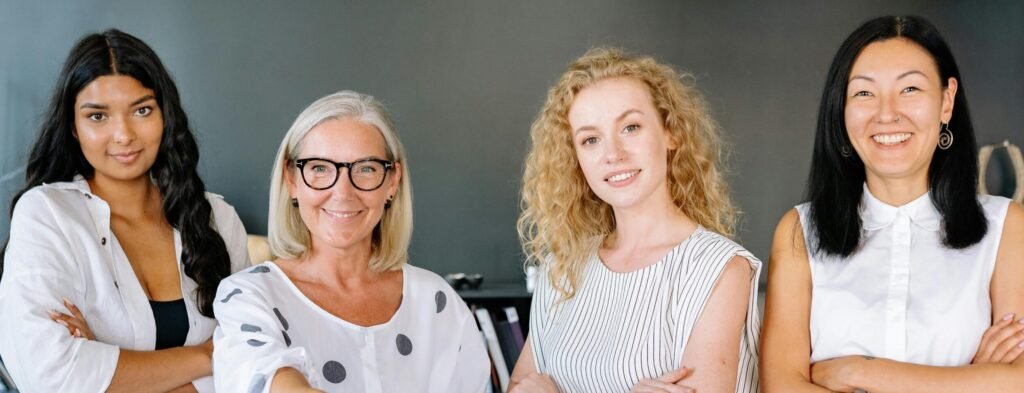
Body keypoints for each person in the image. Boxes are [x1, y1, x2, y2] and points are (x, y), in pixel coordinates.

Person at [760, 15, 1024, 392]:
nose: (886, 114)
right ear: (841, 109)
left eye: (911, 89)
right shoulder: (800, 231)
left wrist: (857, 372)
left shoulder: (1006, 227)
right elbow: (782, 387)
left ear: (946, 102)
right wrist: (968, 380)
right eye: (864, 93)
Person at [0, 29, 250, 392]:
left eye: (142, 110)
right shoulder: (47, 214)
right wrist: (207, 355)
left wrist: (103, 361)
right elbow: (50, 377)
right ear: (73, 126)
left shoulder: (217, 218)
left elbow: (252, 361)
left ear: (166, 114)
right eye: (98, 116)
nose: (123, 135)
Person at [511, 48, 762, 393]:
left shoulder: (719, 269)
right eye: (590, 140)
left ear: (670, 132)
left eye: (630, 127)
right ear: (576, 159)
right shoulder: (563, 268)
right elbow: (518, 387)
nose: (613, 154)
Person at [211, 91, 490, 393]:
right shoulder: (249, 296)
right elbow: (264, 377)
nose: (343, 193)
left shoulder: (436, 302)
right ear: (291, 180)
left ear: (392, 182)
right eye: (319, 168)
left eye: (366, 169)